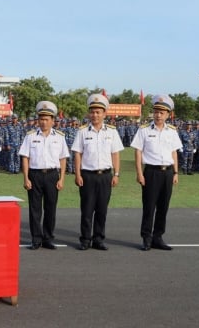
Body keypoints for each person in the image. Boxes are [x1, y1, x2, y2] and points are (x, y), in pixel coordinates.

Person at [71, 94, 124, 251]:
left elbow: (115, 154)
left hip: (106, 175)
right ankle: (85, 239)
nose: (94, 115)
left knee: (102, 209)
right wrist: (78, 174)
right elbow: (77, 154)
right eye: (92, 112)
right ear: (89, 113)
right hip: (87, 175)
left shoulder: (112, 132)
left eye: (98, 112)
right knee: (87, 210)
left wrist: (116, 174)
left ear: (104, 114)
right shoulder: (82, 132)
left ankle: (98, 239)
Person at [131, 95, 183, 251]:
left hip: (167, 172)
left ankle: (158, 237)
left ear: (168, 114)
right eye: (156, 112)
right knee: (149, 206)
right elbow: (138, 152)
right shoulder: (144, 130)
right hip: (151, 172)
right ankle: (146, 238)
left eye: (162, 112)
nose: (158, 115)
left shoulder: (172, 131)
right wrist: (140, 173)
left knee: (163, 207)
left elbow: (174, 152)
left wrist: (175, 172)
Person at [19, 101, 69, 250]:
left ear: (53, 121)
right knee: (35, 209)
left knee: (50, 208)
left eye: (47, 119)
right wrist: (26, 178)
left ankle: (48, 238)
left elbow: (63, 158)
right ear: (38, 120)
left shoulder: (59, 137)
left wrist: (62, 178)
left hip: (52, 175)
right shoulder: (30, 136)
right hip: (35, 174)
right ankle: (36, 239)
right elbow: (25, 158)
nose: (44, 122)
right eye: (41, 119)